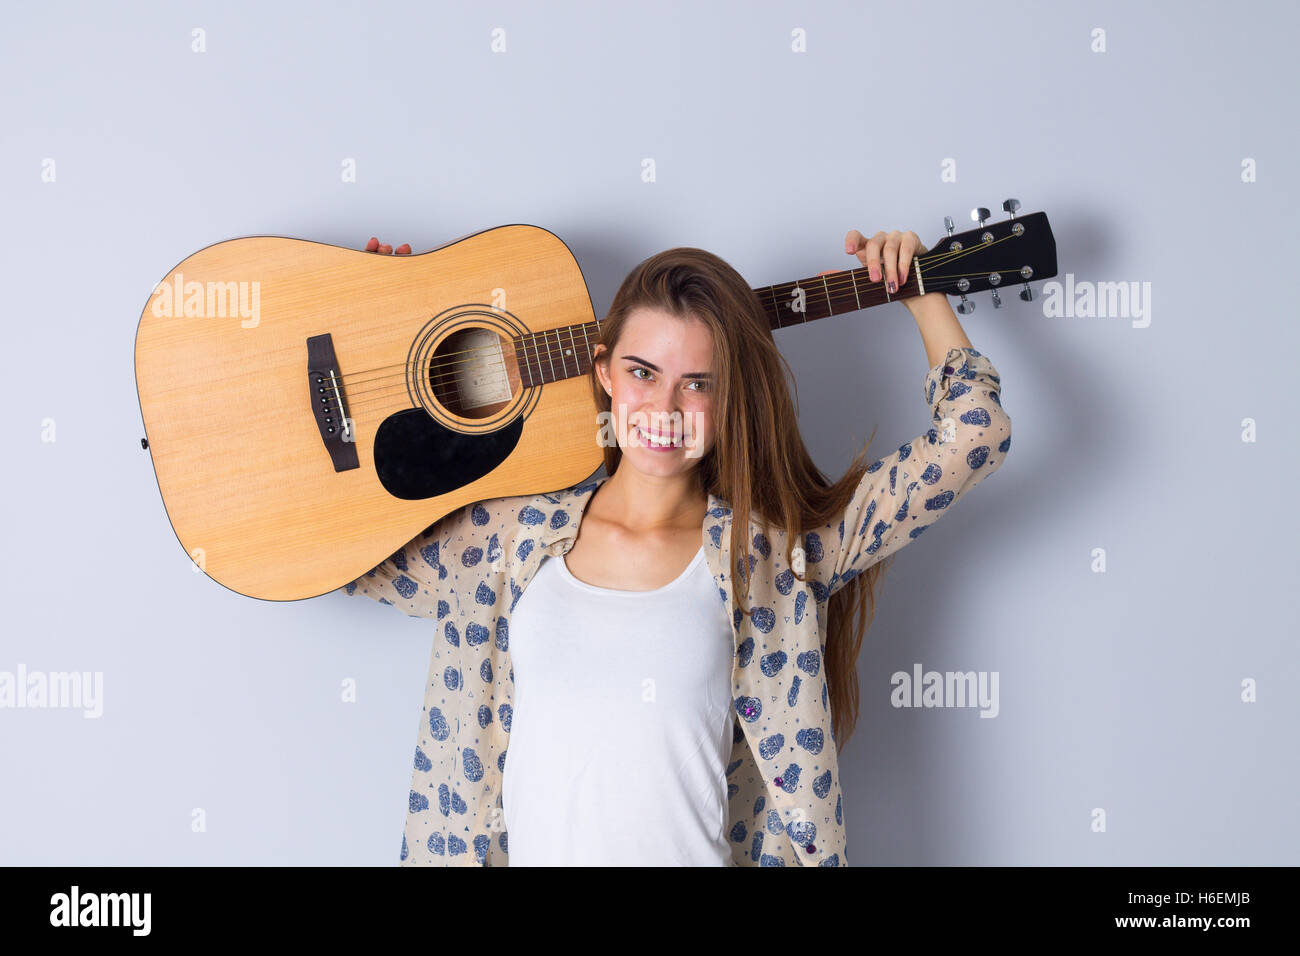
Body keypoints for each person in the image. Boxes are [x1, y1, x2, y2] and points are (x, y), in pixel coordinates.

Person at [346, 230, 1012, 866]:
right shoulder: (505, 540)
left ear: (730, 397)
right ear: (604, 372)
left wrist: (922, 290)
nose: (664, 407)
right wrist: (368, 318)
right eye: (643, 372)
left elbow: (975, 436)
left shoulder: (775, 559)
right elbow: (339, 553)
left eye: (698, 383)